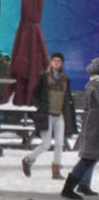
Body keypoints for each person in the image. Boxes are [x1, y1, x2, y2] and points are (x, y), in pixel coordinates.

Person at [21, 52, 77, 180]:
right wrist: (39, 107)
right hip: (46, 115)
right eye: (54, 60)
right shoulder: (44, 77)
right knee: (46, 144)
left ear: (62, 64)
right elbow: (35, 93)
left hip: (59, 115)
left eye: (59, 61)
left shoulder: (65, 79)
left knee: (59, 143)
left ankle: (56, 170)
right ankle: (28, 160)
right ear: (51, 62)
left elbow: (67, 97)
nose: (56, 63)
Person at [62, 57, 99, 200]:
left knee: (91, 157)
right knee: (88, 158)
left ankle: (83, 185)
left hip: (93, 125)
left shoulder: (93, 83)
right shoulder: (96, 85)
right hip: (94, 128)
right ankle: (68, 188)